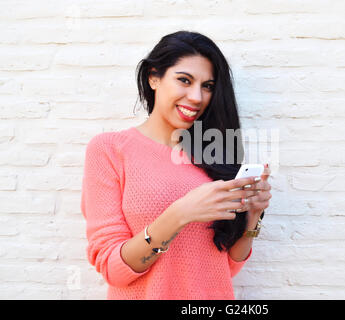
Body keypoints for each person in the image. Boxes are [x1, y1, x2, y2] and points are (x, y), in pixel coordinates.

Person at [81, 30, 272, 300]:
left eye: (207, 86)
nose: (197, 97)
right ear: (154, 77)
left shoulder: (214, 157)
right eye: (184, 80)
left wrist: (252, 219)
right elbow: (115, 270)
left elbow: (225, 268)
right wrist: (181, 213)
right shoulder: (110, 150)